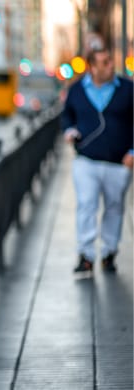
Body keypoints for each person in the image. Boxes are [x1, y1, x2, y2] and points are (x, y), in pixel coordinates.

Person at [61, 47, 133, 273]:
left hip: (118, 162)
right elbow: (66, 115)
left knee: (114, 207)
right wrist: (69, 130)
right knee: (86, 205)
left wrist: (132, 152)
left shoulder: (128, 89)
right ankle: (86, 255)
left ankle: (109, 252)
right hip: (86, 160)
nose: (110, 65)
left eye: (110, 61)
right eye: (104, 62)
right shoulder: (76, 90)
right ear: (92, 67)